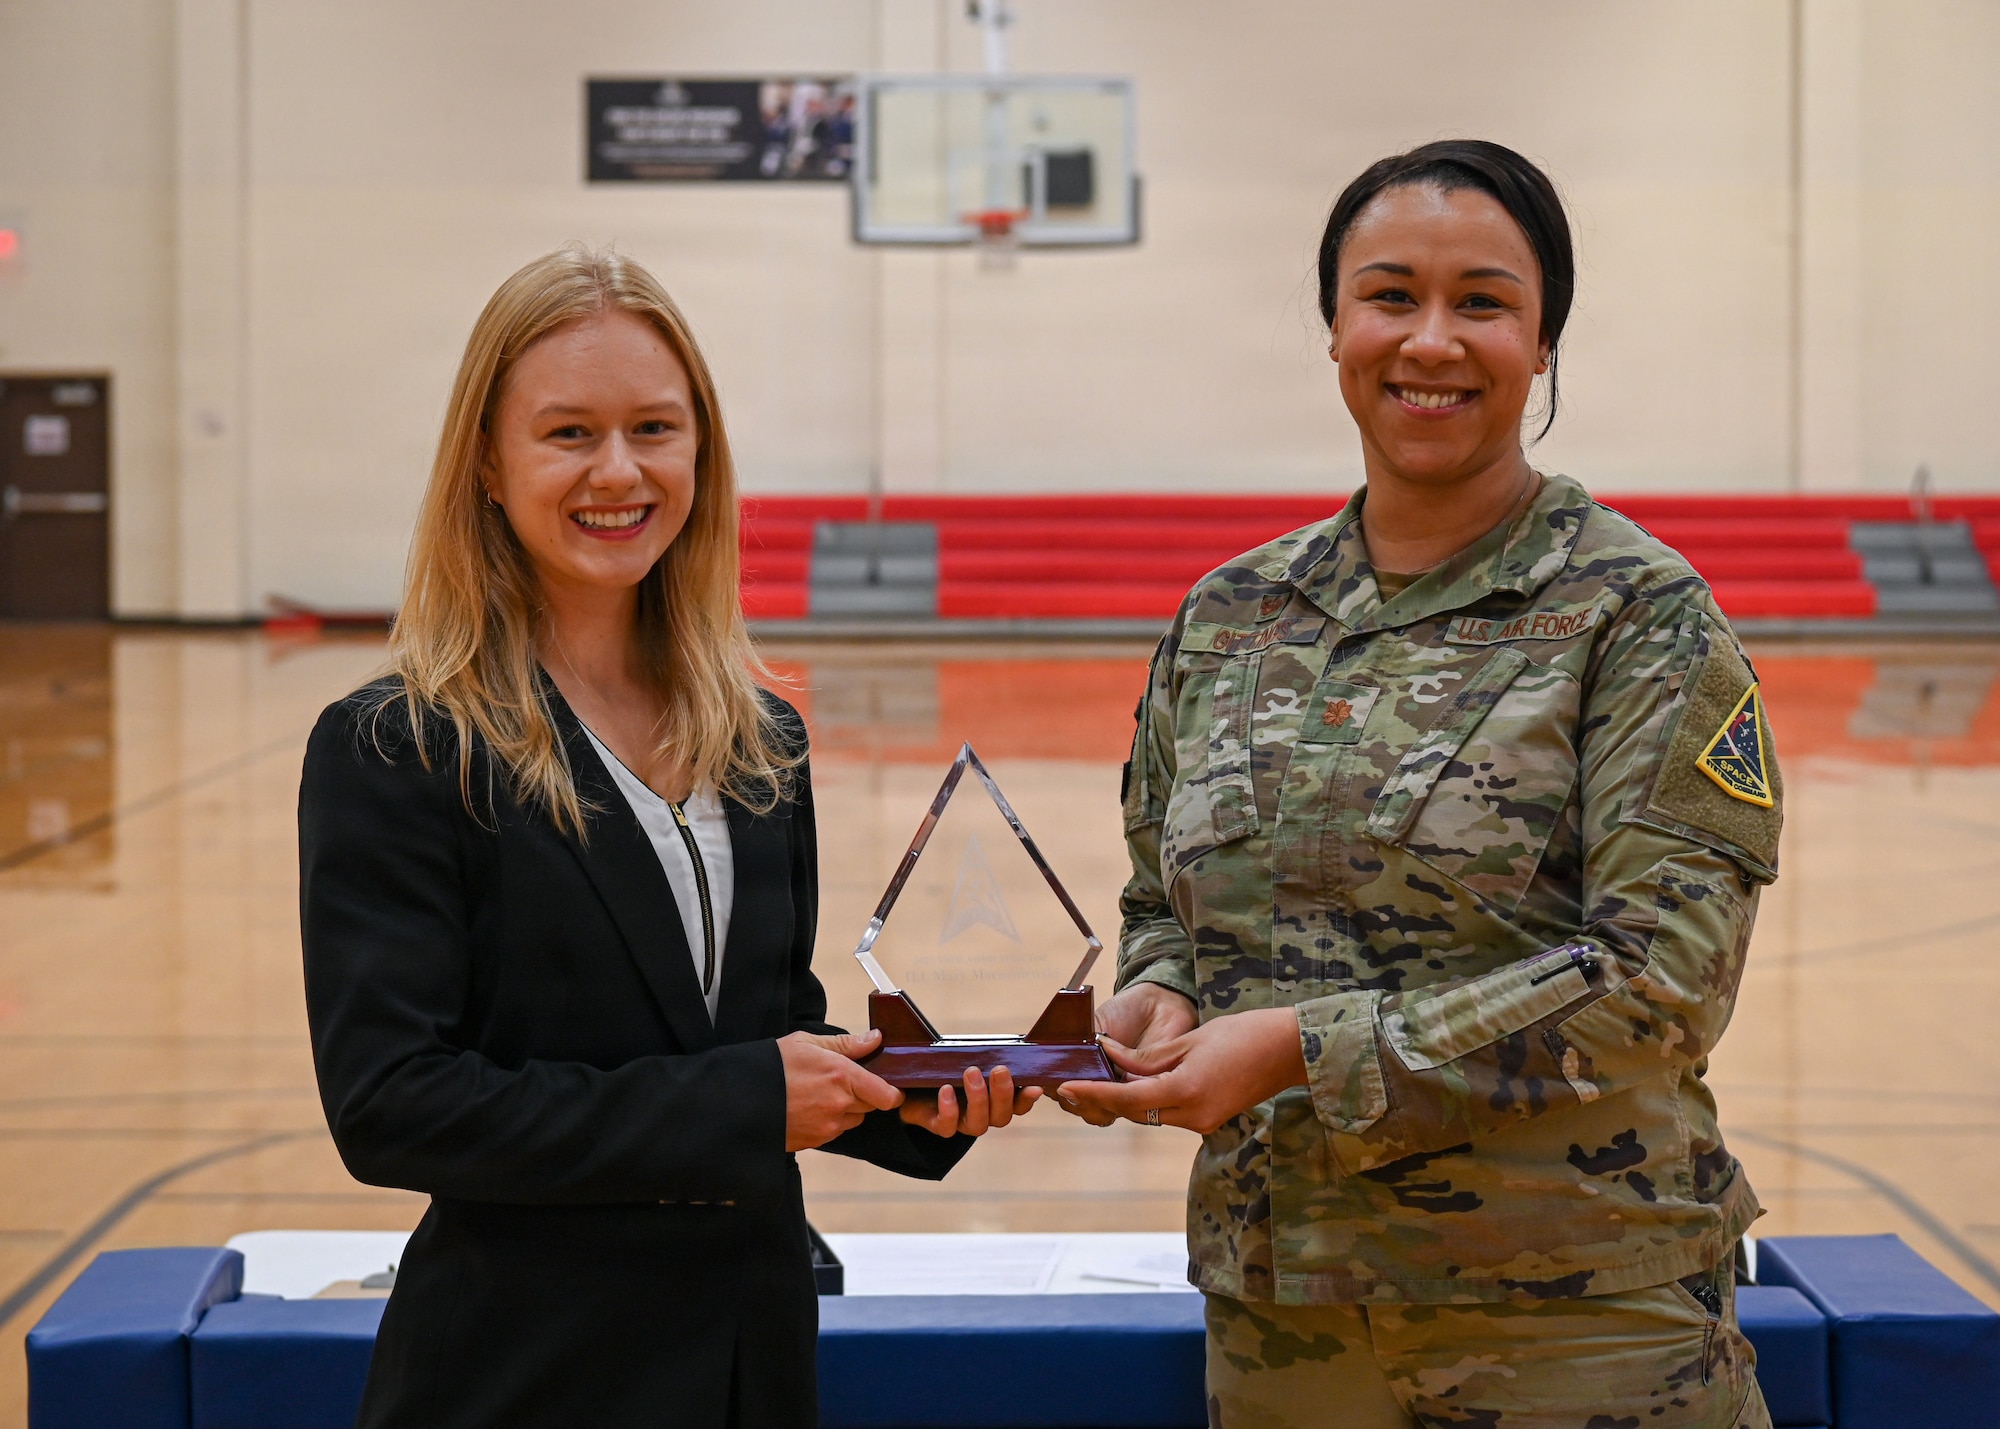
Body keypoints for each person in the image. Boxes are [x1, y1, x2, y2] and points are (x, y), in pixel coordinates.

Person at [1060, 140, 1779, 1429]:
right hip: (1284, 1319)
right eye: (1388, 296)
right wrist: (1160, 985)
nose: (1430, 341)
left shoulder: (1638, 615)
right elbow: (1157, 894)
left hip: (1575, 1323)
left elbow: (1663, 979)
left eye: (1482, 302)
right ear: (1333, 324)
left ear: (1542, 337)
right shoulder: (1228, 617)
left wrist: (1296, 1049)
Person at [299, 246, 1035, 1429]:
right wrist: (747, 1100)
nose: (619, 470)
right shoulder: (399, 745)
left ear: (701, 449)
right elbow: (394, 1105)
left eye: (653, 427)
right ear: (486, 462)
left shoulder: (761, 741)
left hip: (751, 1363)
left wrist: (908, 1090)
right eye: (567, 433)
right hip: (520, 1376)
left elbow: (752, 1035)